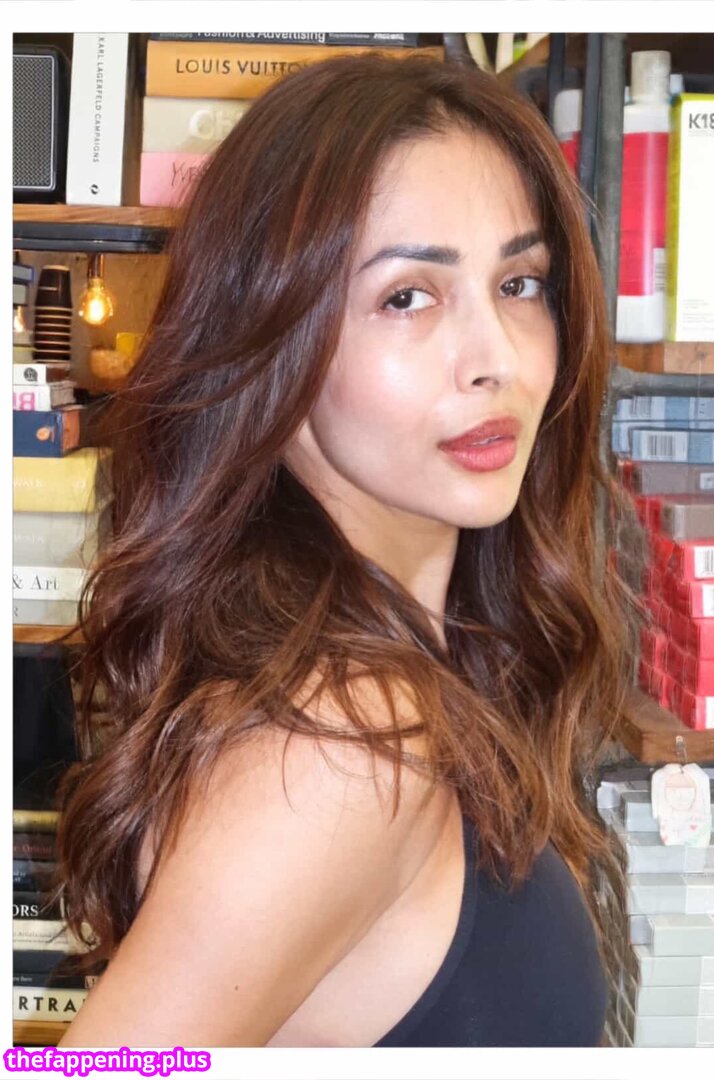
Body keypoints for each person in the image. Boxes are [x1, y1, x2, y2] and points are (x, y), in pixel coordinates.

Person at [55, 51, 641, 1048]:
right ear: (269, 337)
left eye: (519, 283)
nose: (496, 359)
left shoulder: (414, 670)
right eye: (406, 297)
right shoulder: (342, 745)